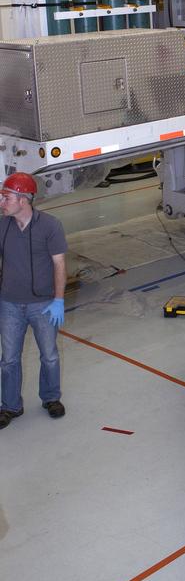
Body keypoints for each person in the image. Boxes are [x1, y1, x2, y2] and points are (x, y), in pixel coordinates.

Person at [0, 172, 68, 428]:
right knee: (9, 359)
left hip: (43, 305)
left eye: (6, 198)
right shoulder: (2, 226)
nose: (1, 203)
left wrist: (58, 300)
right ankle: (10, 406)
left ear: (23, 199)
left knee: (49, 355)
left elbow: (59, 264)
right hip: (9, 304)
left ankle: (51, 398)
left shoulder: (50, 225)